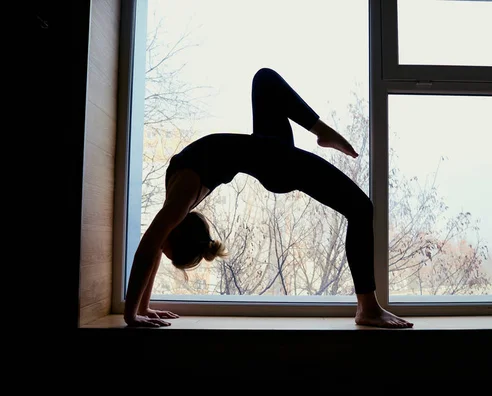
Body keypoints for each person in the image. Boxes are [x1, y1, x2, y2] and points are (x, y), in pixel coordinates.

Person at [124, 68, 414, 329]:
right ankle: (367, 308)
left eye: (166, 251)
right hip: (275, 164)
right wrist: (141, 307)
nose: (160, 251)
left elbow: (147, 250)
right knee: (361, 209)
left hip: (271, 154)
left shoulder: (179, 198)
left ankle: (322, 131)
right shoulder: (179, 200)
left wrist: (133, 313)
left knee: (264, 80)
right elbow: (152, 250)